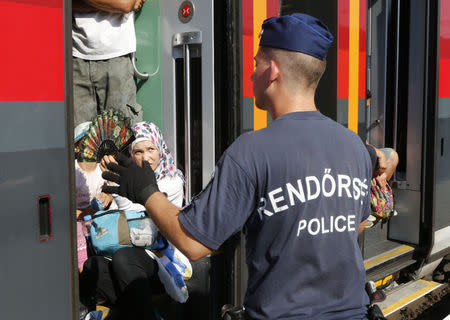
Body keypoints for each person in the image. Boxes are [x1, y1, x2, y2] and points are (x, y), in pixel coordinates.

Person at [103, 14, 372, 320]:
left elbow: (193, 242)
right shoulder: (353, 146)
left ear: (272, 72)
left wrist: (145, 189)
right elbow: (356, 225)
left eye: (256, 64)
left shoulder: (252, 151)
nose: (252, 73)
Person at [80, 121, 189, 320]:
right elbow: (116, 221)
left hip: (157, 257)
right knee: (92, 266)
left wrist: (119, 189)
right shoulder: (125, 176)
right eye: (138, 151)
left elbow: (136, 219)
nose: (145, 157)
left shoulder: (171, 181)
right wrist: (105, 201)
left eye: (150, 149)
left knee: (124, 257)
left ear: (160, 149)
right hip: (124, 256)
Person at [72, 0, 145, 126]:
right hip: (76, 57)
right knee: (81, 139)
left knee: (119, 136)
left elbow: (125, 4)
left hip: (116, 57)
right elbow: (64, 4)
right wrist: (112, 5)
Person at [74, 121, 114, 271]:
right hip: (77, 217)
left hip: (98, 214)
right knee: (80, 247)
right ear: (77, 147)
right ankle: (82, 273)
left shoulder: (102, 167)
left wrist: (107, 196)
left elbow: (110, 191)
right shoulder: (73, 169)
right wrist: (81, 214)